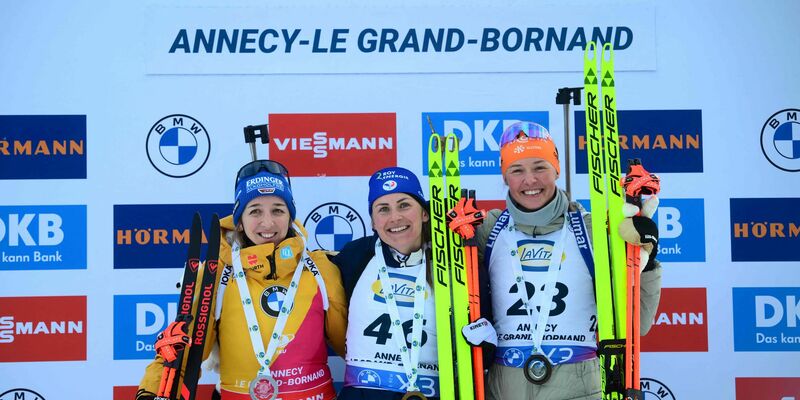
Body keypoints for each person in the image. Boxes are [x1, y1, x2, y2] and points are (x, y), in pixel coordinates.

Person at [472, 122, 662, 400]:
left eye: (540, 167)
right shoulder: (487, 230)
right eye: (517, 170)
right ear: (505, 176)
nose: (530, 180)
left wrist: (646, 254)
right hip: (504, 389)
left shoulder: (594, 230)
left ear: (556, 168)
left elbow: (638, 322)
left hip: (580, 387)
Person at [136, 159, 347, 400]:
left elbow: (354, 348)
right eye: (255, 210)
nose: (267, 223)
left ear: (290, 216)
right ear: (240, 218)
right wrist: (154, 391)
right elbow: (184, 350)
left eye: (278, 209)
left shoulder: (319, 269)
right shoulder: (217, 272)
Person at [332, 167, 441, 400]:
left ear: (424, 213)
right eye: (383, 209)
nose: (395, 217)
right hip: (365, 393)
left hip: (431, 392)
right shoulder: (355, 257)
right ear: (372, 221)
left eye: (404, 205)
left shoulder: (449, 259)